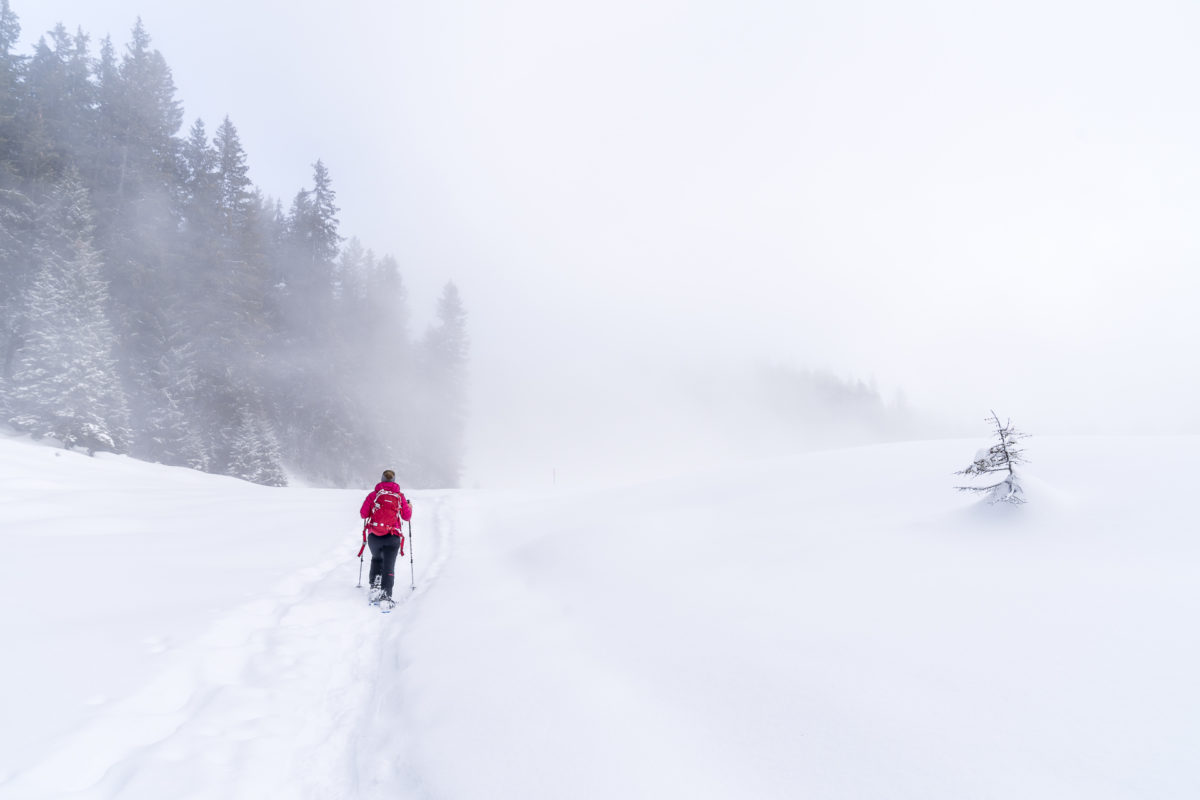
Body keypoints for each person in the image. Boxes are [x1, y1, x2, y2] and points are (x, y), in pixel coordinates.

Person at [360, 469, 413, 607]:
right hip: (392, 537)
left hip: (374, 536)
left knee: (376, 559)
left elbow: (363, 514)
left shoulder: (373, 495)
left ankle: (375, 586)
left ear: (382, 480)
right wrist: (409, 507)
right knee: (389, 566)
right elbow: (406, 517)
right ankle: (386, 596)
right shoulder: (399, 496)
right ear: (394, 481)